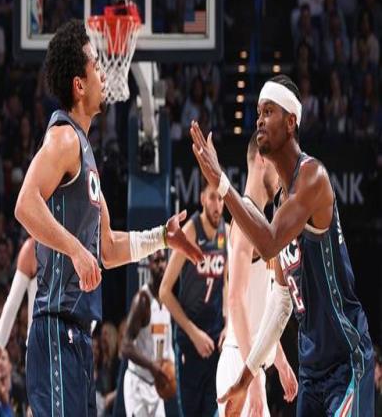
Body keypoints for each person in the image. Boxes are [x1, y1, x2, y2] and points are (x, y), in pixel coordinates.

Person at [14, 19, 202, 417]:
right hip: (55, 328)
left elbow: (109, 247)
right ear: (79, 85)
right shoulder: (63, 137)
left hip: (80, 337)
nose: (103, 73)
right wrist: (75, 250)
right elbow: (25, 204)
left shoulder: (86, 153)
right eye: (96, 65)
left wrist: (162, 237)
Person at [190, 74, 374, 416]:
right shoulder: (277, 208)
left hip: (346, 359)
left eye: (268, 111)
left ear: (291, 123)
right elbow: (280, 301)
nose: (259, 120)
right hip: (311, 368)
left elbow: (270, 243)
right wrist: (247, 377)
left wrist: (221, 182)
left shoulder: (313, 177)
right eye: (258, 112)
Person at [215, 132, 297, 416]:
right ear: (262, 159)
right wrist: (250, 381)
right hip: (240, 362)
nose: (281, 174)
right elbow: (235, 301)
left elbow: (262, 309)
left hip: (250, 363)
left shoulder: (259, 220)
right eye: (278, 162)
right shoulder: (244, 220)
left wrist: (280, 361)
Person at [159, 179, 228, 417]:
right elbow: (164, 291)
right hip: (191, 340)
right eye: (212, 197)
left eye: (221, 198)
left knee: (215, 410)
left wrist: (228, 324)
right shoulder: (190, 230)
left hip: (215, 339)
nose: (217, 205)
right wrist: (193, 333)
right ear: (202, 199)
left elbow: (227, 283)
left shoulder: (226, 231)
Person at [0, 237, 37, 403]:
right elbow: (9, 311)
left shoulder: (74, 242)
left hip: (69, 345)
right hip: (39, 348)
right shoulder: (31, 249)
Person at [121, 250, 173, 417]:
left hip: (155, 385)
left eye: (163, 260)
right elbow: (125, 347)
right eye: (156, 261)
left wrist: (170, 369)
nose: (161, 265)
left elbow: (167, 345)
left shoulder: (167, 299)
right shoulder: (143, 300)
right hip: (137, 384)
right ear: (149, 265)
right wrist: (152, 366)